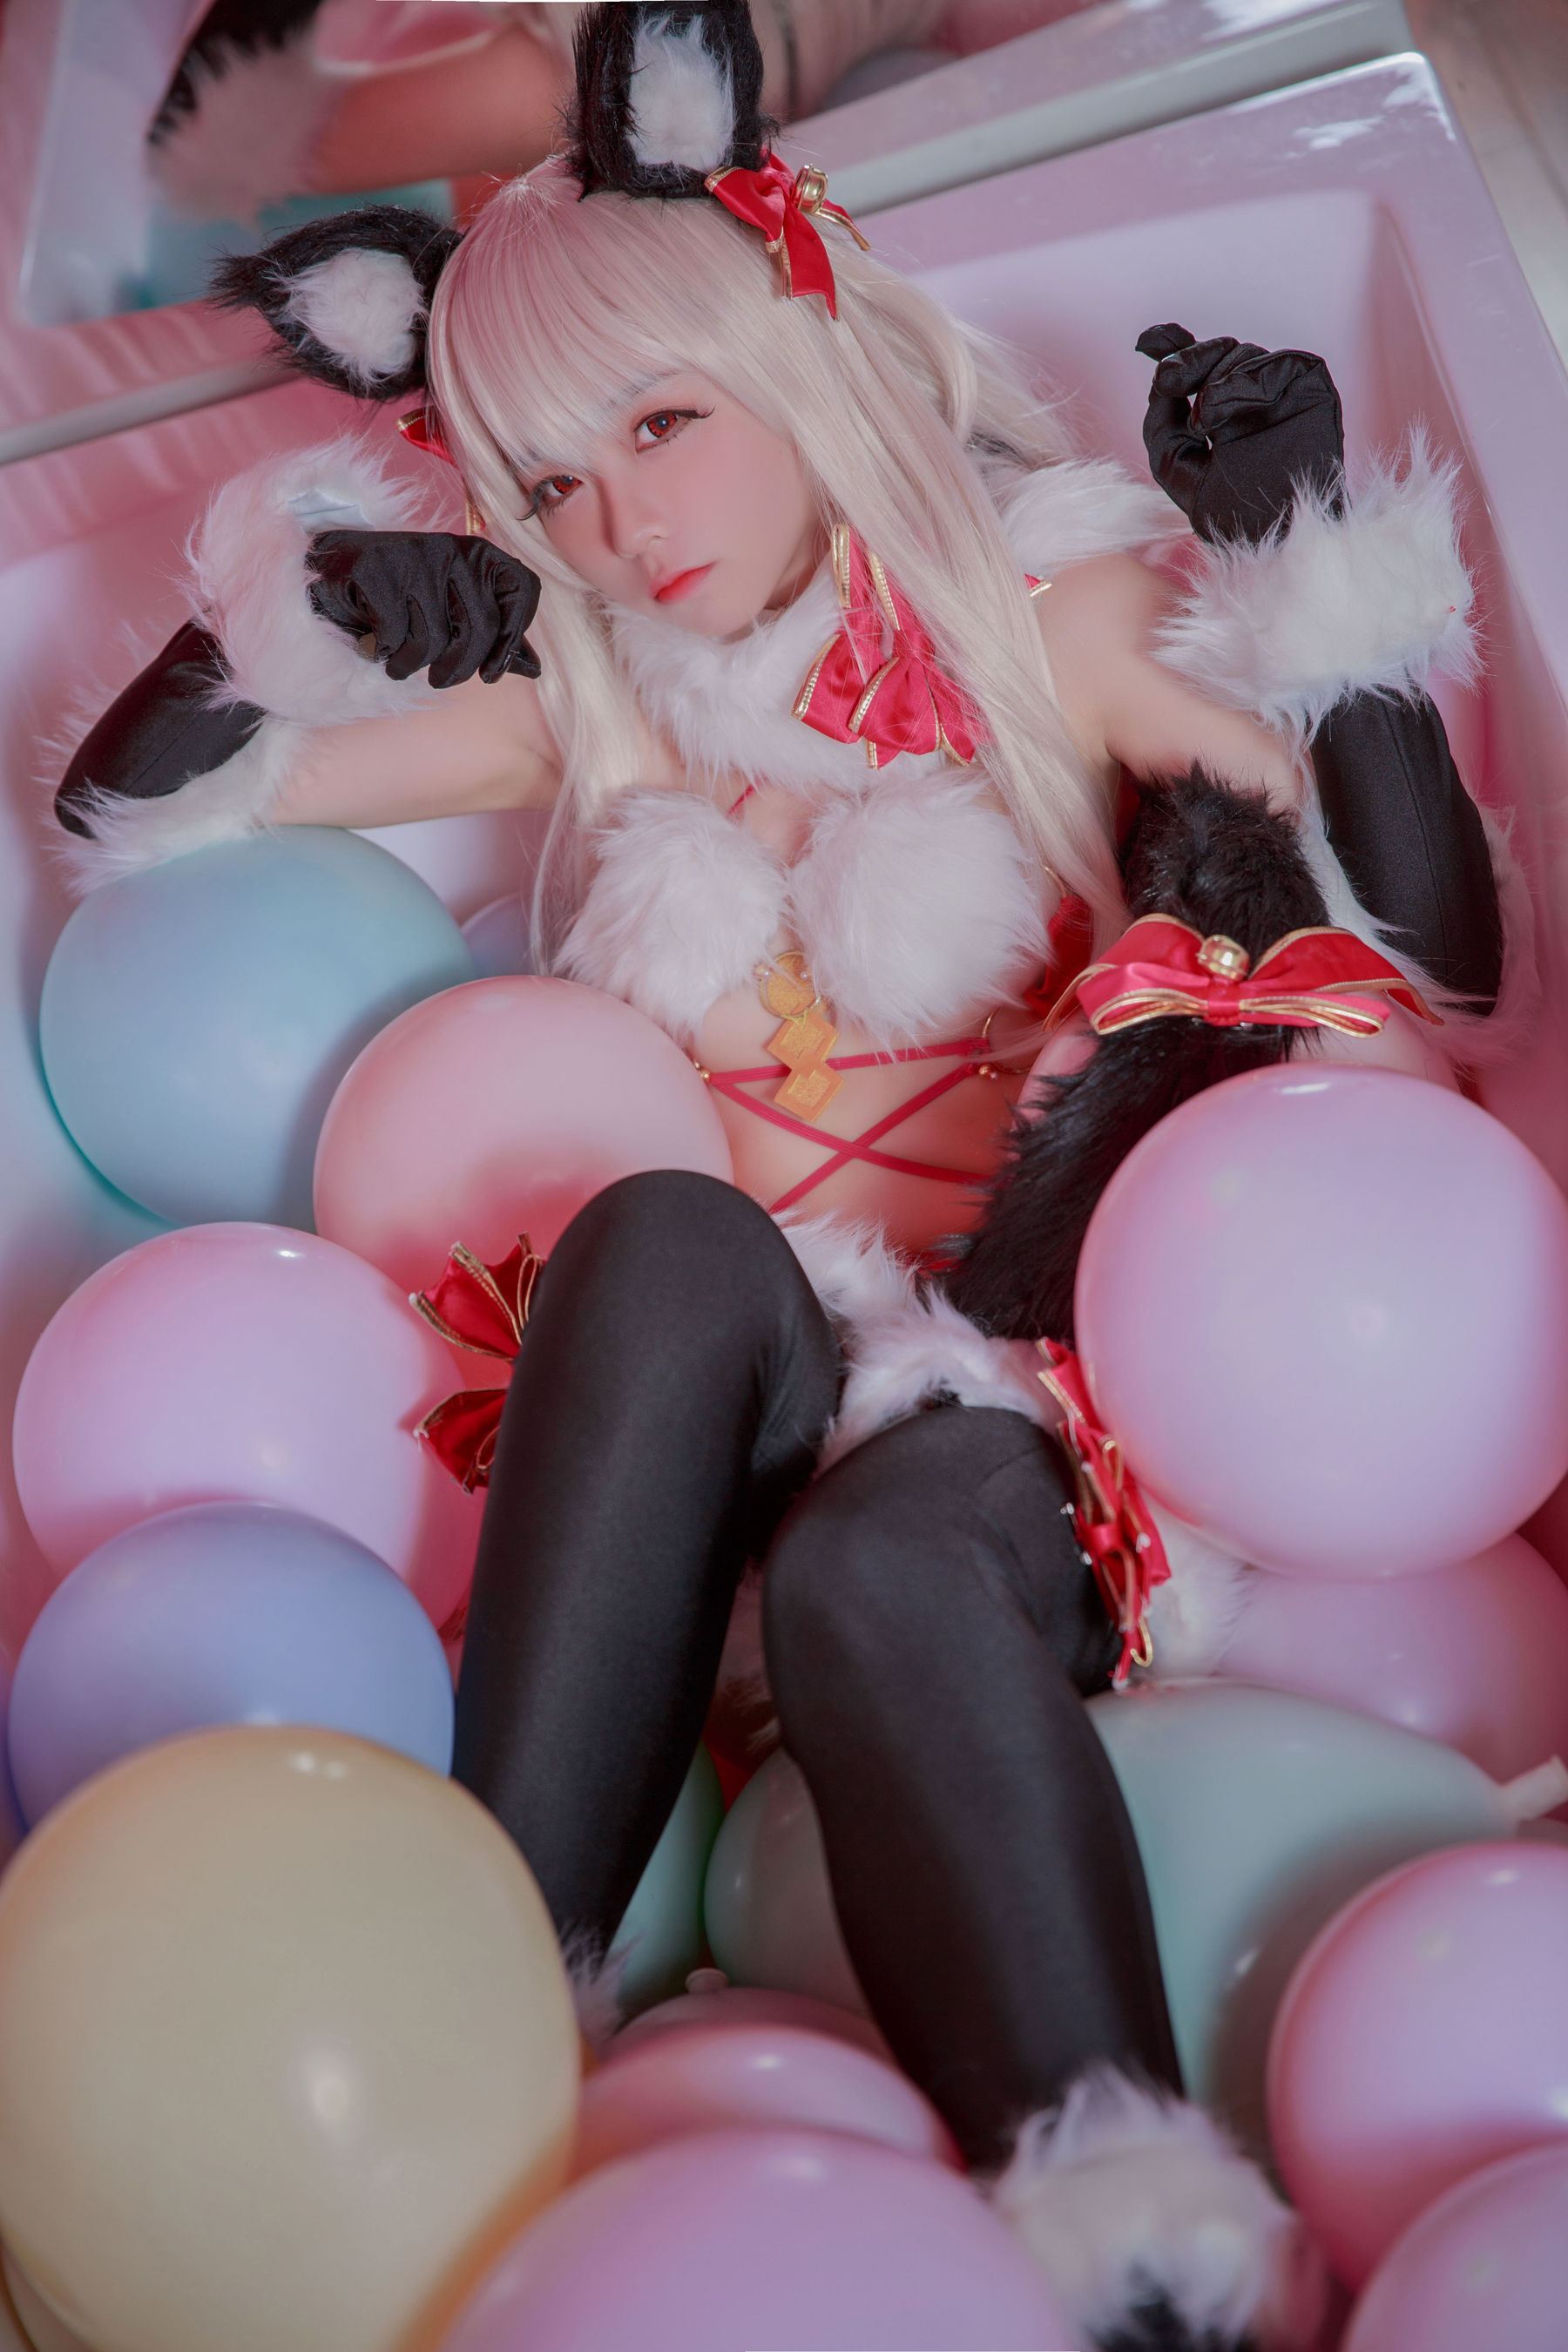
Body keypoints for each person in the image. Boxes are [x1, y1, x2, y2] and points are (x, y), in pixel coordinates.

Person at [56, 6, 1507, 2342]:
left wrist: (1302, 564)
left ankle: (1154, 2252)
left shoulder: (1048, 615)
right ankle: (490, 1988)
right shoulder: (595, 685)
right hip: (712, 1469)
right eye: (548, 485)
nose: (622, 528)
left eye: (659, 425)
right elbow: (128, 823)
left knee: (877, 1555)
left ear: (789, 347)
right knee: (656, 1231)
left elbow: (1442, 950)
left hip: (1045, 1433)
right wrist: (301, 622)